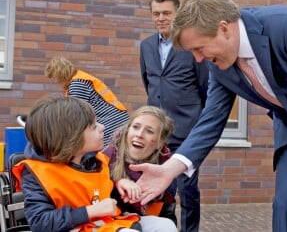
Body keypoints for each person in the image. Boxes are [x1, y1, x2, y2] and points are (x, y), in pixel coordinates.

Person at [131, 0, 287, 232]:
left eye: (200, 48)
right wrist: (169, 170)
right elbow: (211, 119)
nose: (198, 59)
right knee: (286, 204)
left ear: (223, 28)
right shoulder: (219, 66)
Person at [12, 96, 178, 232]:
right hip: (76, 227)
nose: (102, 127)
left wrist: (120, 182)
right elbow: (40, 223)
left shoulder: (96, 160)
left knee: (165, 226)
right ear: (71, 138)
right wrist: (91, 211)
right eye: (93, 126)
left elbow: (100, 189)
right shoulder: (37, 174)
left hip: (105, 223)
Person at [139, 0, 209, 232]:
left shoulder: (189, 45)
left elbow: (205, 88)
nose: (161, 18)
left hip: (186, 130)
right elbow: (149, 83)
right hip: (155, 135)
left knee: (187, 191)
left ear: (177, 15)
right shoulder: (146, 46)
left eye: (166, 13)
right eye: (156, 13)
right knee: (160, 191)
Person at [103, 105, 177, 225]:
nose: (140, 134)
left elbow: (166, 216)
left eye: (149, 131)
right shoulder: (105, 157)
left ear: (159, 143)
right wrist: (117, 181)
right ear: (128, 131)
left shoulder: (165, 170)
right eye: (136, 127)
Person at [45, 57, 129, 147]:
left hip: (111, 124)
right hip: (117, 121)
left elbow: (75, 115)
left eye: (54, 77)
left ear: (60, 73)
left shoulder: (77, 85)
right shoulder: (80, 79)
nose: (54, 81)